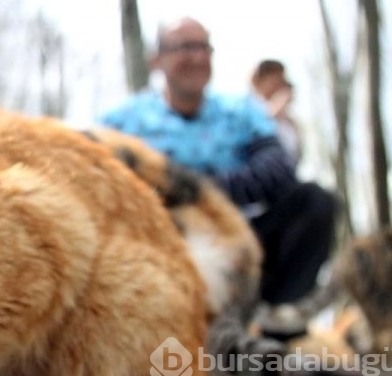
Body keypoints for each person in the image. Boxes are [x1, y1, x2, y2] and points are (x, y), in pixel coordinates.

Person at [98, 17, 337, 335]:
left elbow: (277, 170)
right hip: (163, 243)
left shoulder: (242, 112)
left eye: (203, 47)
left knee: (316, 201)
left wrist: (195, 190)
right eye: (185, 47)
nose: (197, 57)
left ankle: (278, 324)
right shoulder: (123, 121)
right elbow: (98, 180)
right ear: (157, 60)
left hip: (243, 237)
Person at [250, 59, 303, 164]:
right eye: (275, 80)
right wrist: (274, 109)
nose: (280, 85)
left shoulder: (287, 122)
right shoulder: (247, 107)